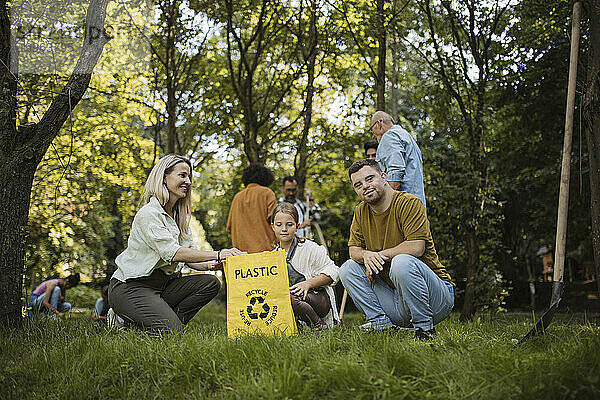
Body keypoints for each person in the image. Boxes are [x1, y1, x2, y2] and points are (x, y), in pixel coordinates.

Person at [109, 154, 242, 333]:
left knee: (210, 283)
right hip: (131, 287)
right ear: (164, 176)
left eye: (189, 177)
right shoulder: (149, 214)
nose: (187, 181)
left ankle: (151, 323)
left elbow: (191, 256)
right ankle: (123, 319)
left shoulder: (180, 218)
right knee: (172, 331)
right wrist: (218, 253)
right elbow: (174, 253)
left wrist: (212, 264)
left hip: (164, 285)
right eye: (182, 175)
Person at [339, 159, 453, 340]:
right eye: (358, 185)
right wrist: (366, 255)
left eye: (370, 179)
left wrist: (378, 256)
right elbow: (354, 250)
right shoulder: (360, 212)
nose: (365, 186)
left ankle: (424, 329)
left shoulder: (408, 203)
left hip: (434, 300)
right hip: (396, 300)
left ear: (384, 177)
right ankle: (380, 324)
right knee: (347, 269)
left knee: (402, 261)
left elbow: (416, 247)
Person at [271, 202, 339, 331]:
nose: (284, 229)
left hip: (317, 300)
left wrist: (308, 284)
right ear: (272, 227)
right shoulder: (271, 256)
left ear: (297, 227)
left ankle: (319, 325)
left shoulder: (311, 248)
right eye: (279, 225)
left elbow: (334, 272)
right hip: (294, 304)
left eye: (289, 225)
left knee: (289, 295)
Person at [370, 111, 426, 209]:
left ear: (379, 124)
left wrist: (384, 204)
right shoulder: (406, 136)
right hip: (417, 205)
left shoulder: (388, 137)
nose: (373, 135)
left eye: (371, 129)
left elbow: (395, 173)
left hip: (403, 207)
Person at [227, 164, 277, 253]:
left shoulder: (237, 197)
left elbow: (229, 228)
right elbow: (275, 222)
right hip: (265, 253)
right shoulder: (267, 193)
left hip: (240, 255)